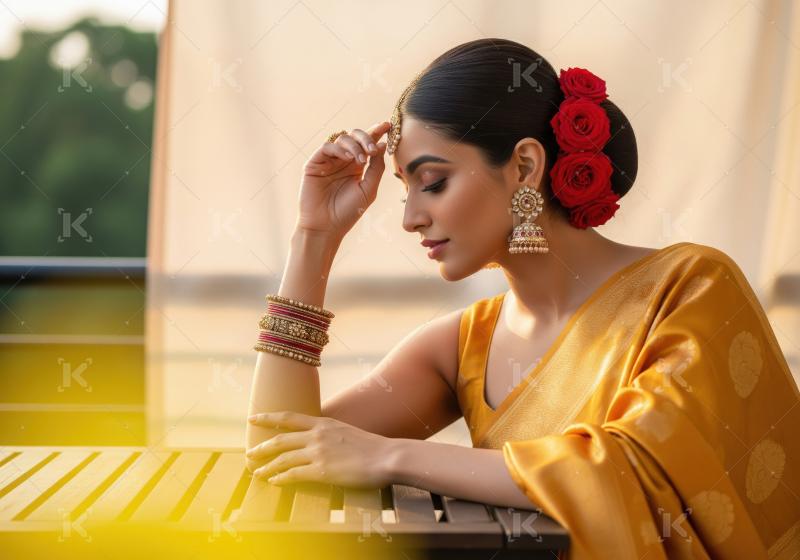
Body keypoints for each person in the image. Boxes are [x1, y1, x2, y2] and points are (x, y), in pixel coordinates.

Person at [244, 38, 800, 559]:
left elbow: (631, 470)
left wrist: (393, 456)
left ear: (525, 167)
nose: (411, 218)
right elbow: (276, 446)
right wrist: (314, 238)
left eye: (432, 182)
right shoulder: (460, 345)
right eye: (404, 190)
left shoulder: (690, 286)